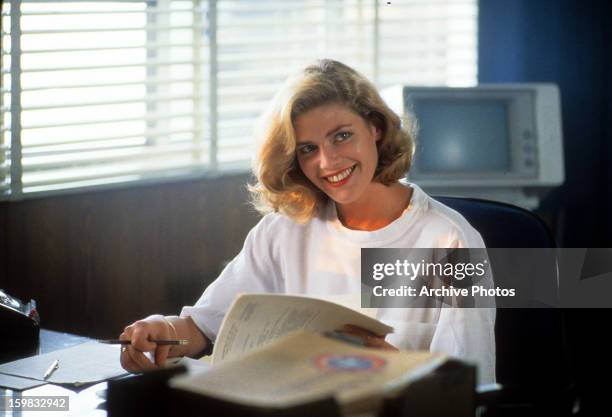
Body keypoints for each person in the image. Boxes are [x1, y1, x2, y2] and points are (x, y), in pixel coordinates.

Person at [119, 59, 496, 384]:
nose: (328, 162)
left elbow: (468, 388)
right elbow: (204, 327)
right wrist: (161, 333)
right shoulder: (285, 229)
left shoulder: (450, 241)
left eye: (342, 136)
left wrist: (393, 367)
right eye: (308, 149)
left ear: (375, 128)